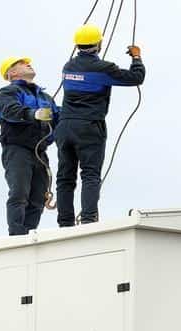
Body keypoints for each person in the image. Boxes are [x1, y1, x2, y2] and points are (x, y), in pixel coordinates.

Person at [55, 24, 146, 226]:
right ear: (98, 43)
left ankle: (65, 223)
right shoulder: (104, 69)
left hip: (65, 125)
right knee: (90, 174)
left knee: (65, 177)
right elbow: (136, 78)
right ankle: (88, 220)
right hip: (89, 127)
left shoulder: (68, 67)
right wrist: (136, 58)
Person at [0, 56, 60, 235]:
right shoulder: (7, 93)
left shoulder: (45, 97)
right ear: (12, 73)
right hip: (17, 149)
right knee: (19, 193)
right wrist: (33, 114)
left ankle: (28, 235)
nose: (27, 64)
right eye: (21, 63)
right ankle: (16, 237)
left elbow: (59, 119)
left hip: (40, 152)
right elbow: (9, 110)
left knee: (38, 197)